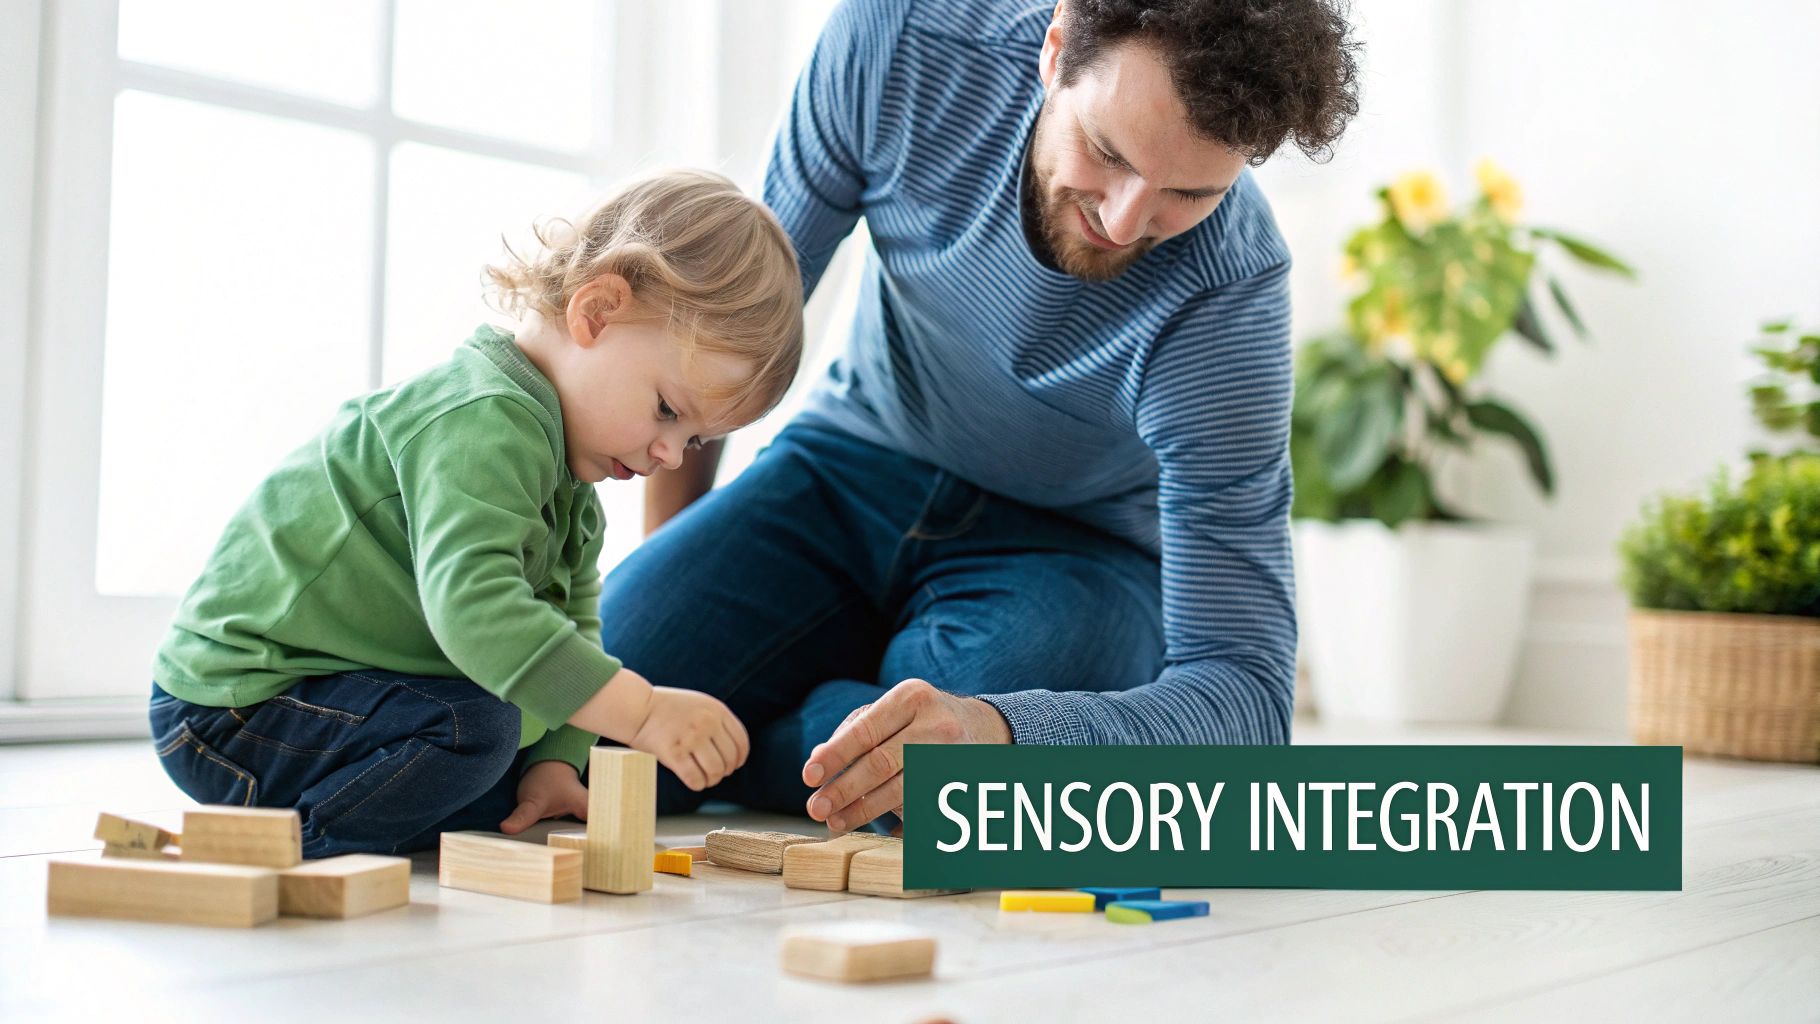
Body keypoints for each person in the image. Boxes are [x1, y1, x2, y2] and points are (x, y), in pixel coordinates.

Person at [596, 0, 1362, 834]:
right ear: (1056, 46)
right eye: (1105, 152)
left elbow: (1248, 701)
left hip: (1074, 554)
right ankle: (847, 729)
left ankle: (803, 734)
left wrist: (998, 733)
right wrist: (672, 568)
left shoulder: (1230, 293)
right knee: (592, 711)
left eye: (1188, 193)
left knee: (966, 779)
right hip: (844, 466)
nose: (1123, 219)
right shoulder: (899, 43)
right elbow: (720, 339)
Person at [147, 170, 804, 857]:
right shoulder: (484, 420)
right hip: (233, 709)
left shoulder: (571, 489)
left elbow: (574, 625)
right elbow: (474, 612)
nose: (671, 454)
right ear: (598, 312)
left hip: (331, 697)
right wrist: (639, 712)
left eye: (695, 438)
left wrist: (557, 763)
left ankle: (368, 820)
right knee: (477, 729)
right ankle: (288, 849)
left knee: (502, 764)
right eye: (668, 410)